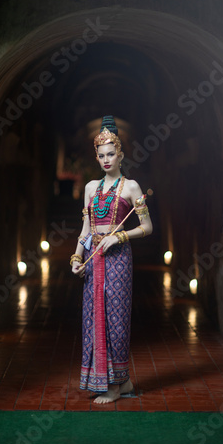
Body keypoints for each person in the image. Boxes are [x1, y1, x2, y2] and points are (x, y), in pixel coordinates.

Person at [70, 115, 153, 404]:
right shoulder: (91, 188)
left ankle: (116, 385)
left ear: (120, 154)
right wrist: (76, 257)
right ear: (97, 157)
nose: (106, 160)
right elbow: (85, 230)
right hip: (94, 261)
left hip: (118, 261)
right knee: (94, 318)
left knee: (116, 318)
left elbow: (147, 226)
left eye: (111, 154)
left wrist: (118, 237)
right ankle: (122, 382)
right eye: (101, 155)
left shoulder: (131, 187)